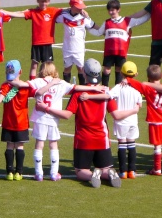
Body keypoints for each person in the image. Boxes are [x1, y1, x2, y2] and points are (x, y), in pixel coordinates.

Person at [36, 59, 134, 188]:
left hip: (83, 139)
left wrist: (46, 108)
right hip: (102, 139)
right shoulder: (105, 91)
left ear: (85, 74)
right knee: (105, 167)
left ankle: (92, 175)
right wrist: (135, 110)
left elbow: (67, 115)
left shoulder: (78, 93)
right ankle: (108, 173)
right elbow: (116, 115)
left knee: (80, 171)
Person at [0, 0, 63, 80]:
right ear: (38, 1)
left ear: (48, 1)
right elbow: (20, 14)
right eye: (41, 1)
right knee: (34, 65)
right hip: (36, 43)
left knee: (48, 66)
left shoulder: (52, 11)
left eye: (45, 1)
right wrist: (5, 12)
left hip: (47, 43)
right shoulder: (33, 12)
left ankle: (48, 83)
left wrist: (80, 10)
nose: (43, 3)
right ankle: (32, 83)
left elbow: (66, 10)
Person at [88, 0, 150, 87]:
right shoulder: (107, 22)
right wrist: (87, 27)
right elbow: (98, 32)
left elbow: (141, 20)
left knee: (119, 70)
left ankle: (118, 88)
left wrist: (150, 13)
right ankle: (104, 87)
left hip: (121, 52)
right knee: (106, 70)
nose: (111, 12)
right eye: (109, 10)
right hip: (109, 51)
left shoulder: (127, 21)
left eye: (113, 10)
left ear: (118, 10)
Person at [109, 61, 142, 179]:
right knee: (132, 144)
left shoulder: (118, 87)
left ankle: (123, 171)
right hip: (132, 121)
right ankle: (132, 170)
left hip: (121, 121)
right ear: (136, 74)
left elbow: (109, 95)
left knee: (122, 144)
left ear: (121, 73)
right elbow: (140, 104)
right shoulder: (136, 89)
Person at [54, 0, 95, 85]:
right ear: (72, 6)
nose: (81, 9)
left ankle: (82, 86)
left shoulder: (83, 17)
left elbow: (92, 25)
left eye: (81, 7)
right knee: (67, 68)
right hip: (67, 48)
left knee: (81, 68)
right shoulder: (64, 16)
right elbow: (54, 19)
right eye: (78, 7)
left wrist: (88, 16)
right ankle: (66, 88)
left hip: (79, 49)